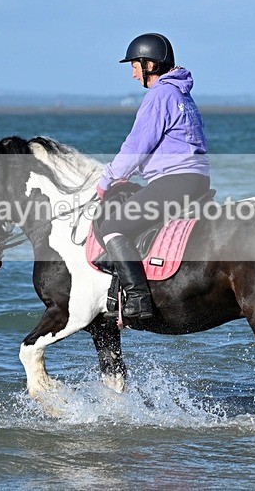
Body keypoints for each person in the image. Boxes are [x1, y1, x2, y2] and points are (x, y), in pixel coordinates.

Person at [96, 33, 211, 319]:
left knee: (113, 226)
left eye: (135, 65)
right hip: (196, 179)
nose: (133, 74)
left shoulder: (160, 94)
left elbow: (136, 146)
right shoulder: (183, 95)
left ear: (150, 64)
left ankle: (137, 300)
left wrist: (107, 179)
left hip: (174, 181)